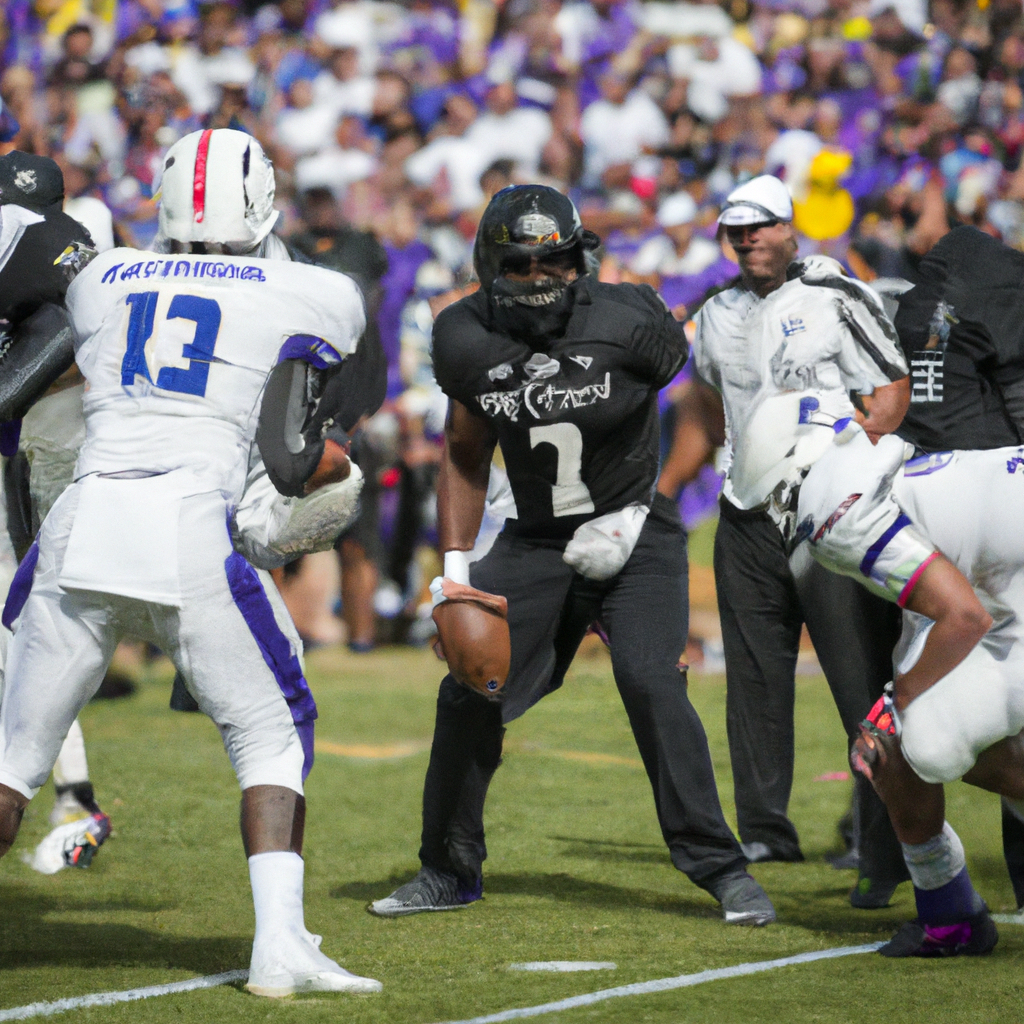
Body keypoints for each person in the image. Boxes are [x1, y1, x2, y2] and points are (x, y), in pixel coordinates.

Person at [0, 129, 382, 997]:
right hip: (187, 522)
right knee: (272, 732)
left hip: (81, 519)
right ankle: (279, 948)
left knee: (12, 758)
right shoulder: (316, 290)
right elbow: (299, 443)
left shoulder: (104, 276)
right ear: (262, 199)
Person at [370, 184, 775, 926]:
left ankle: (722, 868)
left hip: (633, 534)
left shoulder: (631, 319)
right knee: (467, 686)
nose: (536, 278)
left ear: (577, 258)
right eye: (518, 265)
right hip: (535, 537)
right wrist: (456, 574)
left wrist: (658, 494)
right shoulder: (463, 335)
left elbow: (700, 408)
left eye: (550, 263)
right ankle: (448, 869)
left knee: (652, 681)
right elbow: (465, 451)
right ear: (489, 265)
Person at [691, 174, 910, 908]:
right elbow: (706, 403)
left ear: (791, 227)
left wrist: (853, 459)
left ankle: (881, 839)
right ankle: (763, 830)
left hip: (828, 504)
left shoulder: (837, 294)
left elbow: (892, 387)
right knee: (753, 680)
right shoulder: (715, 313)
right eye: (736, 230)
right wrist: (666, 492)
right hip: (745, 507)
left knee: (860, 680)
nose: (749, 239)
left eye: (760, 227)